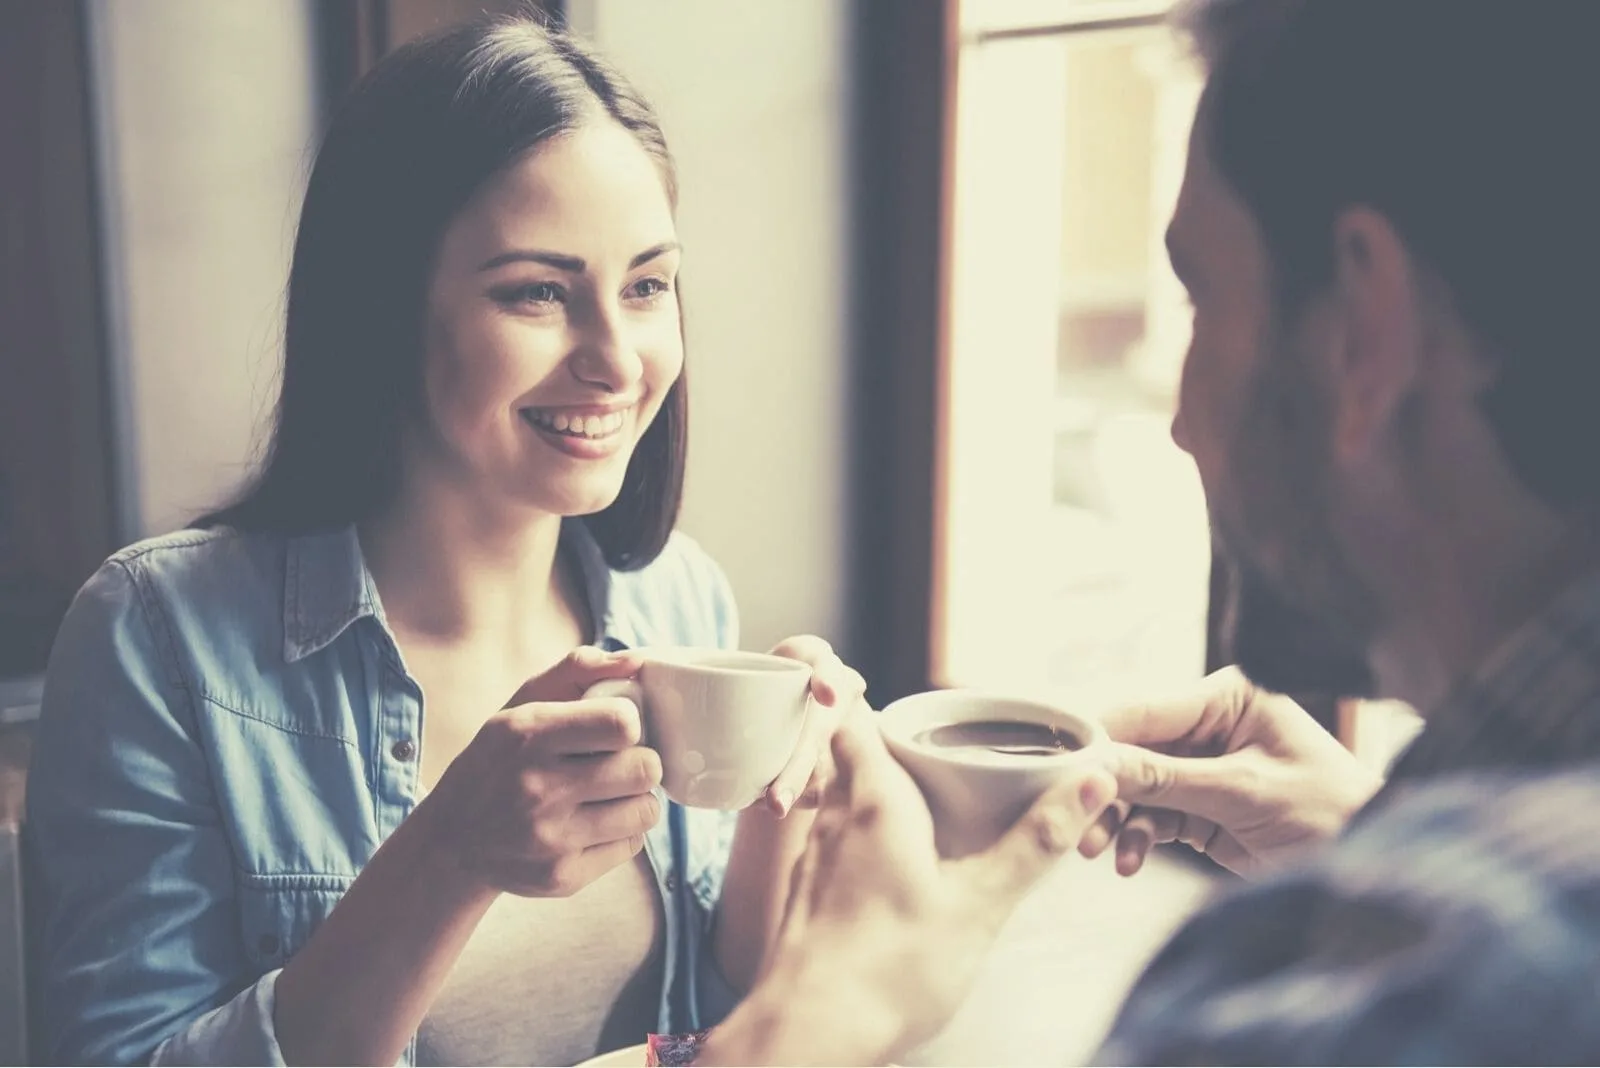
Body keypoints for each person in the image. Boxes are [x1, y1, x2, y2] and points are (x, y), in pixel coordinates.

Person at [701, 0, 1600, 1063]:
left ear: (1366, 332)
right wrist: (1372, 840)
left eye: (1199, 302)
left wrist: (818, 1015)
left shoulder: (1378, 987)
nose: (1180, 423)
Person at [24, 15, 865, 1067]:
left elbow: (714, 1005)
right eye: (538, 293)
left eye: (647, 285)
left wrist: (793, 803)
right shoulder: (156, 637)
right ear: (382, 307)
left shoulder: (676, 598)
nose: (617, 359)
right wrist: (447, 858)